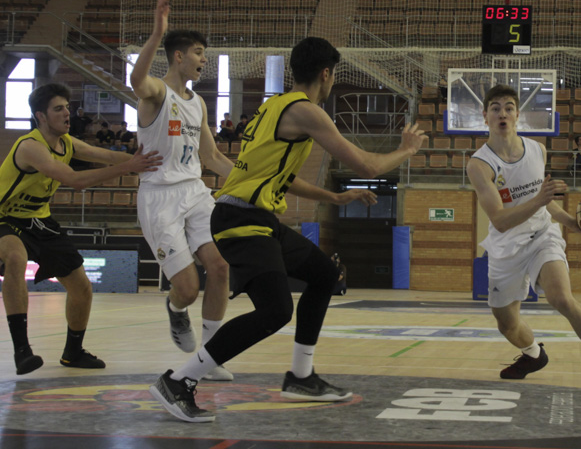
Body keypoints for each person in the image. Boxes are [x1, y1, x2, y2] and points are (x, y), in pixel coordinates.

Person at [151, 36, 423, 423]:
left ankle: (301, 376)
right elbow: (368, 166)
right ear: (326, 75)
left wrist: (335, 198)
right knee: (276, 311)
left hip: (255, 218)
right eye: (332, 77)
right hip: (241, 219)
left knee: (324, 275)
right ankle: (179, 381)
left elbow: (277, 177)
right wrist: (407, 149)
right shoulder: (306, 111)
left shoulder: (272, 107)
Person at [466, 84, 581, 395]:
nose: (502, 113)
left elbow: (545, 202)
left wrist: (573, 223)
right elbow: (500, 220)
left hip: (542, 236)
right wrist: (539, 199)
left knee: (562, 298)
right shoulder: (480, 165)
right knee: (507, 325)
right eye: (495, 108)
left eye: (509, 107)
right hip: (506, 247)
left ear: (518, 114)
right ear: (485, 116)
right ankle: (534, 354)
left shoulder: (537, 149)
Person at [0, 82, 162, 375]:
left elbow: (105, 156)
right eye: (58, 109)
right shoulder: (30, 147)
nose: (67, 113)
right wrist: (131, 167)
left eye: (67, 107)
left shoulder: (68, 143)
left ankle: (73, 352)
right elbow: (74, 180)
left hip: (40, 221)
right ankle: (22, 351)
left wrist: (146, 160)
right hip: (3, 220)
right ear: (41, 116)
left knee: (82, 287)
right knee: (15, 258)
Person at [130, 0, 238, 389]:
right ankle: (176, 308)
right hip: (160, 196)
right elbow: (137, 81)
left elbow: (211, 155)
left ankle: (210, 357)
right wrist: (157, 32)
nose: (203, 60)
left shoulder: (199, 104)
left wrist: (249, 179)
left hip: (195, 191)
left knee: (222, 266)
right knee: (188, 288)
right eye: (198, 53)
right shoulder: (157, 93)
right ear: (178, 56)